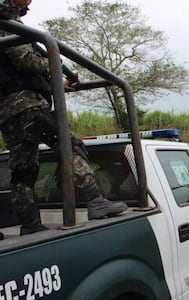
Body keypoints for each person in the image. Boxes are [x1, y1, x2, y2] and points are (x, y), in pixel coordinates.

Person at [0, 0, 127, 236]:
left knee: (23, 171)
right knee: (69, 145)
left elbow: (17, 70)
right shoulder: (8, 25)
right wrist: (53, 64)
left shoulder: (11, 26)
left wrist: (59, 81)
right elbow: (26, 61)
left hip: (9, 114)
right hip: (27, 107)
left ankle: (30, 224)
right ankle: (95, 200)